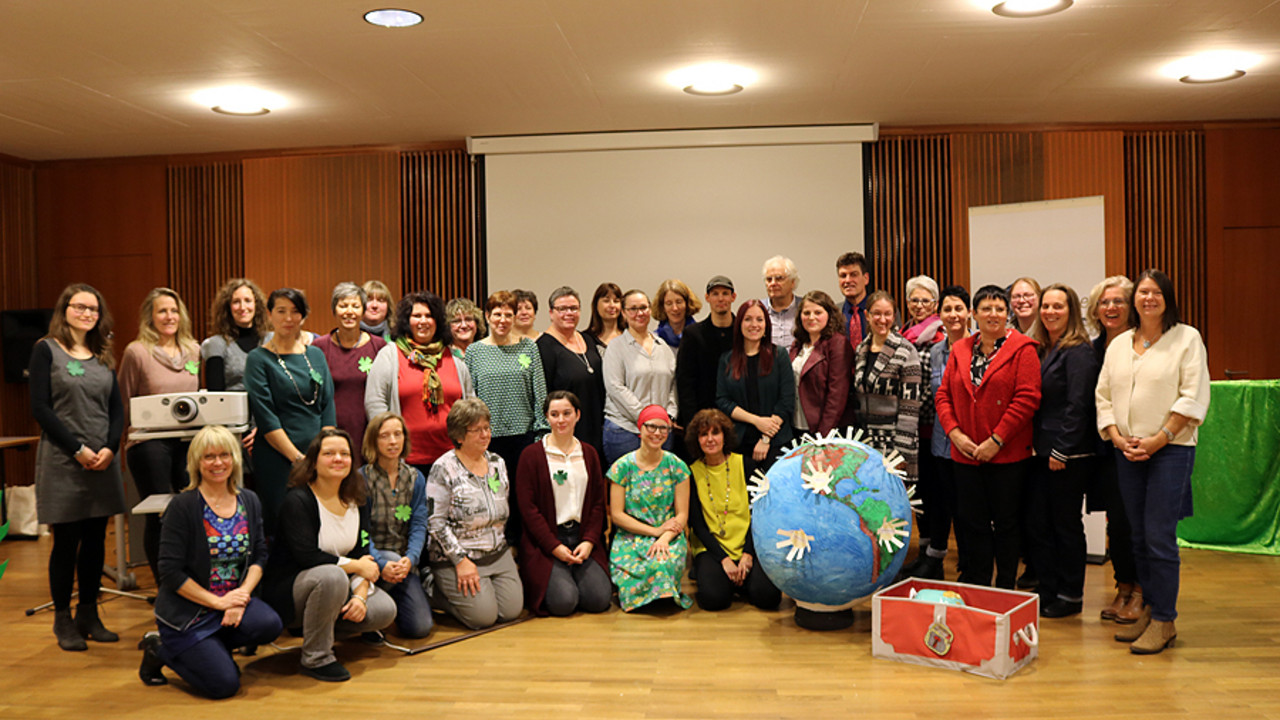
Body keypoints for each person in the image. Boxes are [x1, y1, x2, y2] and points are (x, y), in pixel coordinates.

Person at [1096, 269, 1210, 655]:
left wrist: (1159, 439)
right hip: (1127, 452)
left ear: (1167, 298)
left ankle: (1165, 619)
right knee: (1137, 536)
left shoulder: (1186, 338)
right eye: (1142, 292)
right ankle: (1148, 609)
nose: (1148, 298)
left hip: (1171, 450)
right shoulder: (1119, 344)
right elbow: (1103, 397)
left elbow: (1192, 395)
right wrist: (1115, 437)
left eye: (1156, 292)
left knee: (1160, 537)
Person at [138, 425, 282, 697]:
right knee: (224, 686)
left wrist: (241, 596)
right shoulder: (182, 506)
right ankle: (160, 649)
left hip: (230, 605)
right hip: (189, 612)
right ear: (196, 462)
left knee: (269, 624)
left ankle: (215, 648)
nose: (218, 463)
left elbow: (260, 554)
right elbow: (169, 571)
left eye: (225, 455)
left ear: (235, 459)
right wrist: (218, 602)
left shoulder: (249, 501)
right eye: (209, 457)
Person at [29, 284, 127, 652]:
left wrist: (109, 447)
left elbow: (116, 408)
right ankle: (63, 620)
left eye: (94, 309)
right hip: (64, 460)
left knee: (96, 542)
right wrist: (78, 450)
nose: (87, 313)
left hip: (102, 461)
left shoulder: (102, 353)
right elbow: (40, 408)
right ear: (64, 309)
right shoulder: (46, 350)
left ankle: (90, 614)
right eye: (80, 307)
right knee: (66, 543)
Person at [262, 429, 396, 682]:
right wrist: (357, 566)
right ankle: (316, 658)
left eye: (344, 454)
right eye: (329, 453)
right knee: (332, 576)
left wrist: (360, 598)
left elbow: (363, 555)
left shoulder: (358, 498)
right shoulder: (298, 501)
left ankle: (321, 626)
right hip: (291, 591)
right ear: (313, 461)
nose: (338, 459)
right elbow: (308, 557)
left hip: (336, 584)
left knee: (384, 611)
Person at [934, 285, 1041, 589]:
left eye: (999, 309)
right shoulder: (960, 349)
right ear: (974, 313)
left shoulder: (1024, 349)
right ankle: (978, 586)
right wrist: (955, 434)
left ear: (1008, 314)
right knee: (972, 524)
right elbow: (943, 396)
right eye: (986, 308)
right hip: (965, 455)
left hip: (1007, 455)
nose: (993, 314)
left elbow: (1027, 400)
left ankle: (1005, 586)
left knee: (1007, 524)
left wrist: (996, 441)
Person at [118, 287, 202, 580]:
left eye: (174, 310)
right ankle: (165, 585)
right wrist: (123, 446)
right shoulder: (136, 351)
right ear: (150, 317)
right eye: (162, 311)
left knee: (190, 510)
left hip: (188, 443)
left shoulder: (194, 349)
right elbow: (123, 401)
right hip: (149, 443)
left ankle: (189, 581)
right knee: (162, 513)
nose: (169, 316)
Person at [1027, 284, 1099, 618]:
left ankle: (1071, 595)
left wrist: (1061, 450)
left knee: (1065, 524)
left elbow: (1078, 405)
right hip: (1040, 452)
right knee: (1040, 523)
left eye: (1058, 306)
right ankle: (1047, 588)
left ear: (1071, 310)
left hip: (1068, 454)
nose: (1050, 312)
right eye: (1046, 306)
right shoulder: (1041, 348)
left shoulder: (1079, 350)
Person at [426, 398, 524, 629]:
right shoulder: (443, 468)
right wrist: (460, 561)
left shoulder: (497, 462)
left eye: (487, 428)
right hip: (458, 557)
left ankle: (483, 589)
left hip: (497, 552)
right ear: (459, 436)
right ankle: (432, 588)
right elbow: (435, 523)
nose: (485, 435)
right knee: (483, 618)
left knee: (511, 611)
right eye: (476, 430)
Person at [244, 288, 336, 531]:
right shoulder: (258, 359)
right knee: (284, 526)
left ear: (304, 316)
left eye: (295, 312)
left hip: (319, 457)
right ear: (269, 314)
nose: (288, 318)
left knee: (320, 523)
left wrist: (322, 453)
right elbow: (266, 417)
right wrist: (298, 459)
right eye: (281, 311)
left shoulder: (315, 354)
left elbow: (327, 406)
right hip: (278, 459)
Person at [515, 391, 612, 616]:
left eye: (567, 413)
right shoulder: (531, 456)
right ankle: (562, 575)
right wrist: (554, 546)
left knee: (598, 600)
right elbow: (529, 510)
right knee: (564, 603)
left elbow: (598, 503)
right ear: (546, 417)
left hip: (581, 537)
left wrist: (589, 541)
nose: (561, 420)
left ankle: (574, 572)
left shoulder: (589, 453)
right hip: (547, 542)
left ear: (577, 415)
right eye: (554, 414)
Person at [365, 291, 475, 476]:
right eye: (417, 316)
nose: (423, 321)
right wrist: (389, 442)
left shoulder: (453, 358)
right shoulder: (390, 355)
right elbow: (375, 402)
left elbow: (469, 404)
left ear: (438, 321)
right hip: (404, 461)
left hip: (452, 460)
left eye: (429, 316)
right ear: (407, 321)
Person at [685, 409, 781, 612]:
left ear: (725, 436)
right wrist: (724, 560)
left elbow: (762, 515)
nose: (710, 439)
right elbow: (698, 526)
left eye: (715, 433)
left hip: (747, 543)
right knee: (714, 600)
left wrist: (748, 553)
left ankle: (739, 580)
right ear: (697, 440)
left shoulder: (746, 465)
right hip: (712, 549)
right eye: (704, 434)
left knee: (769, 598)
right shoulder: (691, 472)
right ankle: (729, 579)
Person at [1086, 275, 1141, 623]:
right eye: (1104, 302)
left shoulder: (1142, 344)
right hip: (1104, 448)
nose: (1111, 307)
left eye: (1118, 301)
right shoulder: (1092, 349)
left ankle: (1141, 591)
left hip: (1138, 446)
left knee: (1136, 523)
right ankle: (1123, 587)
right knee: (1115, 523)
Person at [608, 405, 692, 612]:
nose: (657, 433)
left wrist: (663, 537)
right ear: (640, 429)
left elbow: (682, 514)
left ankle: (660, 596)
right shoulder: (622, 467)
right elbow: (617, 514)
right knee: (640, 564)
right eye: (651, 427)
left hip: (670, 535)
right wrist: (654, 532)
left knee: (661, 563)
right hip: (631, 535)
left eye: (663, 428)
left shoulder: (677, 466)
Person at [914, 285, 972, 580]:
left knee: (965, 509)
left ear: (969, 313)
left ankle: (969, 563)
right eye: (948, 309)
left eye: (959, 308)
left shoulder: (977, 347)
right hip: (940, 440)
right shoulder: (936, 351)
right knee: (938, 503)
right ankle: (935, 560)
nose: (953, 315)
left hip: (970, 443)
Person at [360, 413, 434, 638]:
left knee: (420, 628)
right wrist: (381, 563)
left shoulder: (415, 478)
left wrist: (410, 558)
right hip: (371, 561)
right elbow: (361, 532)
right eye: (384, 436)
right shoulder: (362, 479)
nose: (392, 441)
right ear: (374, 440)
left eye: (397, 434)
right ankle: (370, 612)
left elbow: (419, 524)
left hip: (403, 564)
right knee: (388, 560)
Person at [465, 290, 548, 491]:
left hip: (524, 437)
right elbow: (469, 397)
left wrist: (541, 433)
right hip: (485, 438)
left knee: (523, 497)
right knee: (493, 494)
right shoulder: (474, 351)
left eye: (508, 315)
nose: (503, 320)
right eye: (497, 314)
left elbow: (540, 391)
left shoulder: (528, 347)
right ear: (487, 316)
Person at [716, 299, 795, 479]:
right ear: (739, 325)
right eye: (748, 319)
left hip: (776, 443)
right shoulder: (727, 359)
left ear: (766, 325)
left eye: (760, 320)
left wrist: (766, 438)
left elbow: (786, 401)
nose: (754, 325)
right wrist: (756, 421)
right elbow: (723, 400)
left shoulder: (779, 355)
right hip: (740, 444)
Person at [851, 291, 922, 485]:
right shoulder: (861, 349)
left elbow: (911, 408)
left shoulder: (906, 350)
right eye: (877, 313)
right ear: (867, 315)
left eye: (888, 314)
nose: (882, 319)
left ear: (894, 316)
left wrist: (901, 453)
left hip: (896, 440)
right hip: (867, 441)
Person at [202, 278, 268, 482]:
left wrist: (264, 428)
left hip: (268, 425)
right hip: (233, 431)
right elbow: (216, 398)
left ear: (256, 305)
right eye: (236, 302)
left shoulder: (272, 341)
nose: (242, 307)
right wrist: (241, 433)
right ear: (227, 307)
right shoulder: (216, 344)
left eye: (248, 300)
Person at [602, 289, 678, 467]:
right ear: (624, 312)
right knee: (629, 492)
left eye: (643, 308)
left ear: (650, 309)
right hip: (625, 431)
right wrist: (647, 419)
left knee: (659, 490)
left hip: (662, 432)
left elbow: (672, 385)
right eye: (633, 309)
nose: (639, 313)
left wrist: (669, 415)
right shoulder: (616, 347)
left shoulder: (663, 347)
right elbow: (615, 388)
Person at [312, 282, 387, 451]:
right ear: (334, 310)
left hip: (369, 431)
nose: (349, 311)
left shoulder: (379, 347)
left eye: (355, 306)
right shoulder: (318, 347)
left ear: (363, 311)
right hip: (330, 432)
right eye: (343, 306)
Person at [536, 287, 605, 455]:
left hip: (595, 423)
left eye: (573, 308)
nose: (569, 313)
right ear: (551, 313)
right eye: (562, 309)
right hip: (566, 428)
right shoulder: (544, 346)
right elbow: (543, 394)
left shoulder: (587, 338)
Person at [676, 276, 737, 430]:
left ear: (733, 297)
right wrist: (692, 422)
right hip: (702, 419)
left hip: (738, 418)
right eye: (715, 294)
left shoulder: (743, 333)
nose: (720, 298)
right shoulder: (693, 334)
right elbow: (685, 382)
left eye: (725, 293)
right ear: (707, 298)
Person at [789, 290, 853, 437]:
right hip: (797, 426)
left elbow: (837, 395)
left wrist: (822, 435)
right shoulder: (798, 344)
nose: (811, 317)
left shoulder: (838, 343)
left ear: (829, 315)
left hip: (826, 431)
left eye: (818, 312)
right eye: (806, 313)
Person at [761, 255, 801, 348]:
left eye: (779, 278)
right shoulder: (758, 310)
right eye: (769, 279)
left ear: (793, 282)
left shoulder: (806, 309)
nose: (773, 283)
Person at [653, 278, 702, 349]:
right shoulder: (655, 340)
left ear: (687, 303)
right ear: (662, 307)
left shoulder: (700, 336)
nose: (675, 308)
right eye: (669, 303)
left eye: (679, 302)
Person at [837, 251, 872, 348]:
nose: (847, 280)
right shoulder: (833, 313)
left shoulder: (882, 311)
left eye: (854, 275)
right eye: (843, 276)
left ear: (866, 278)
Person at [902, 275, 945, 347]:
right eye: (914, 300)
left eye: (925, 301)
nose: (919, 306)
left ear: (936, 304)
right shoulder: (902, 332)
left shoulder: (943, 333)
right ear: (908, 303)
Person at [582, 282, 626, 348]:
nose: (612, 305)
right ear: (596, 305)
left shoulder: (630, 335)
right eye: (606, 301)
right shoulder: (585, 339)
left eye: (616, 301)